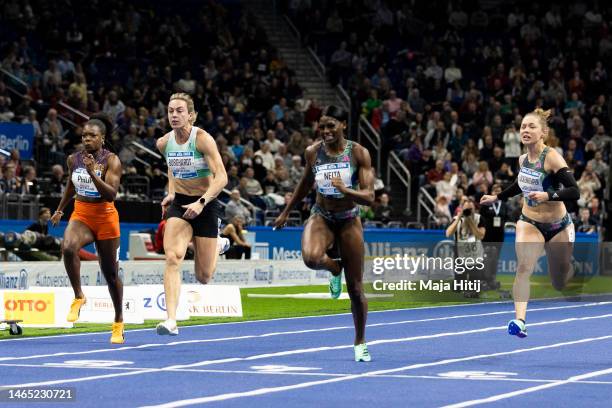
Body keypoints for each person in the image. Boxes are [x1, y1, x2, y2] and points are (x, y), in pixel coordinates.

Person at [273, 105, 375, 362]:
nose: (326, 131)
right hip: (322, 215)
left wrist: (346, 190)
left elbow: (370, 197)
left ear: (343, 125)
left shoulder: (359, 153)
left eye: (331, 125)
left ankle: (360, 341)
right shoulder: (312, 152)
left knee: (355, 289)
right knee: (310, 257)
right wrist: (286, 212)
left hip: (349, 219)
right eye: (322, 126)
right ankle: (334, 269)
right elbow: (305, 183)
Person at [480, 108, 580, 338]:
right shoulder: (522, 159)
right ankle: (520, 320)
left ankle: (569, 266)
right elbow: (519, 184)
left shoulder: (552, 156)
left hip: (558, 225)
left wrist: (548, 196)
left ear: (543, 132)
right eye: (523, 126)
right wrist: (498, 197)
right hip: (529, 222)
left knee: (559, 282)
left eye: (531, 126)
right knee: (524, 267)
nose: (525, 130)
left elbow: (575, 191)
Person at [155, 93, 228, 336]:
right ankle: (171, 320)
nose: (174, 115)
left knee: (204, 276)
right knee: (173, 257)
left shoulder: (202, 140)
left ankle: (217, 244)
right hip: (180, 206)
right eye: (170, 111)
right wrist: (171, 192)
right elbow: (172, 168)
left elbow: (222, 177)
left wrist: (202, 201)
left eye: (179, 111)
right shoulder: (164, 143)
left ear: (191, 115)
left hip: (205, 204)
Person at [50, 113, 125, 344]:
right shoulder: (74, 159)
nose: (87, 139)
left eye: (92, 136)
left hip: (105, 217)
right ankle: (78, 296)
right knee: (68, 247)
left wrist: (93, 172)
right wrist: (61, 209)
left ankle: (118, 321)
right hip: (81, 213)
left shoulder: (112, 161)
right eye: (84, 135)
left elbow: (111, 195)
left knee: (110, 275)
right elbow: (71, 187)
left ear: (102, 138)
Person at [445, 196, 485, 294]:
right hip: (460, 255)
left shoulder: (479, 218)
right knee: (458, 288)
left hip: (475, 255)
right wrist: (459, 218)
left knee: (474, 290)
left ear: (475, 209)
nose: (469, 211)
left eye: (471, 209)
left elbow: (480, 236)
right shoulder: (456, 219)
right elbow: (448, 233)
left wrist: (470, 221)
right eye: (466, 209)